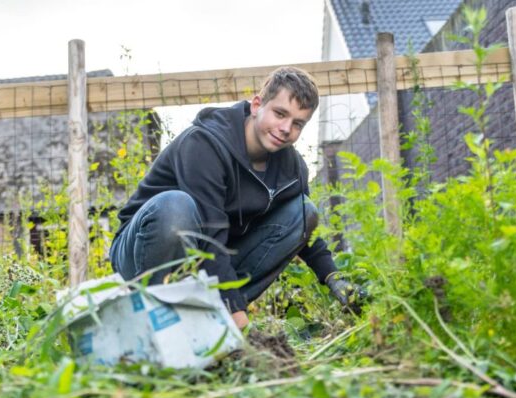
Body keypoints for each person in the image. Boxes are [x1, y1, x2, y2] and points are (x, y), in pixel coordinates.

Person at [110, 66, 365, 329]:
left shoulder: (292, 169)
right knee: (176, 207)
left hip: (207, 262)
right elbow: (210, 235)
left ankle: (209, 319)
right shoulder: (204, 144)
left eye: (298, 123)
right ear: (257, 105)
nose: (286, 128)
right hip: (143, 253)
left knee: (304, 211)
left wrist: (333, 276)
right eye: (280, 114)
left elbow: (306, 234)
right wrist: (241, 322)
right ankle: (147, 318)